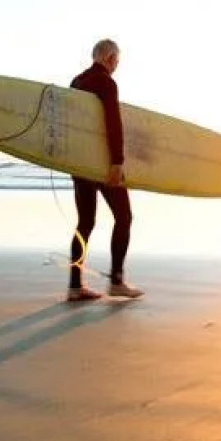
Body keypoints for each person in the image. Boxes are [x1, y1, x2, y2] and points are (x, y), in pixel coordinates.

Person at [66, 39, 143, 302]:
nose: (116, 67)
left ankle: (75, 287)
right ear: (110, 58)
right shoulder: (106, 83)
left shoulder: (76, 82)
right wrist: (117, 161)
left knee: (85, 223)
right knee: (124, 217)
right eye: (117, 61)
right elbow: (113, 122)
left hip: (79, 163)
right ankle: (117, 281)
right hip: (101, 164)